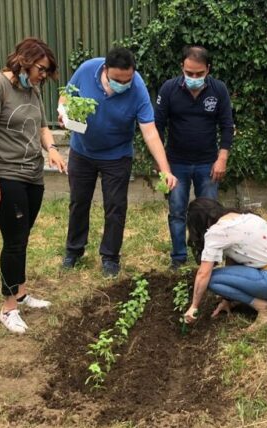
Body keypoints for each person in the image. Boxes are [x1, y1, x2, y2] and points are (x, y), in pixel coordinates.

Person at [0, 37, 67, 334]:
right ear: (24, 61)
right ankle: (8, 307)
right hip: (6, 175)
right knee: (13, 241)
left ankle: (22, 293)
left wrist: (51, 149)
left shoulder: (32, 89)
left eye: (46, 71)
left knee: (22, 236)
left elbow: (40, 125)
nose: (43, 76)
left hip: (32, 176)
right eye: (41, 69)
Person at [58, 47, 177, 278]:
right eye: (117, 80)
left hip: (117, 155)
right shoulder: (86, 70)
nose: (123, 84)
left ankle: (110, 257)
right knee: (78, 202)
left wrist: (166, 170)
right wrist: (63, 112)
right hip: (82, 151)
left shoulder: (138, 87)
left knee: (115, 207)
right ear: (105, 70)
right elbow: (66, 95)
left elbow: (150, 132)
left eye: (127, 79)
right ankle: (73, 251)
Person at [182, 198, 267, 330]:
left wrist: (193, 307)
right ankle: (260, 294)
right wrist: (227, 299)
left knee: (210, 279)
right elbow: (233, 260)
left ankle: (264, 307)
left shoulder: (217, 232)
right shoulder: (244, 216)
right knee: (216, 275)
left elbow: (203, 273)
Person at [155, 45, 234, 271]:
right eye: (189, 73)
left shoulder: (219, 90)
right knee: (177, 210)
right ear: (182, 68)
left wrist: (222, 159)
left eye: (199, 74)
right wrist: (162, 165)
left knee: (210, 214)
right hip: (176, 164)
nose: (194, 78)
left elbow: (227, 126)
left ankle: (206, 257)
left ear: (208, 70)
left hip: (207, 164)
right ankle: (178, 258)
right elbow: (156, 127)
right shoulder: (169, 89)